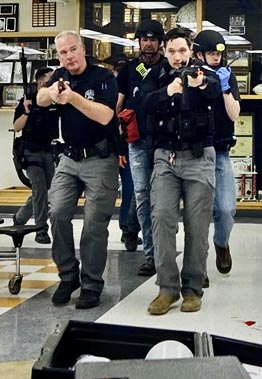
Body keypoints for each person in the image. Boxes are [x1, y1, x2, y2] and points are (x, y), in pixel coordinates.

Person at [37, 30, 119, 310]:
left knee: (94, 225)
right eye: (63, 52)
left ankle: (92, 283)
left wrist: (72, 98)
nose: (69, 56)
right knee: (57, 213)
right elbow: (39, 100)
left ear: (83, 49)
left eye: (73, 50)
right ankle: (68, 275)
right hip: (69, 159)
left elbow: (106, 115)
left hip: (100, 157)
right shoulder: (59, 75)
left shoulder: (103, 77)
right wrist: (51, 92)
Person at [142, 27, 221, 315]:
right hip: (166, 157)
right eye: (172, 51)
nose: (178, 57)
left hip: (199, 157)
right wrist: (168, 91)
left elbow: (214, 92)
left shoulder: (203, 73)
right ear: (165, 51)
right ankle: (167, 288)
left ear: (191, 52)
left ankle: (192, 288)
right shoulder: (155, 76)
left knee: (197, 226)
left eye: (183, 51)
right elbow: (144, 104)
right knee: (161, 217)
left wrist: (199, 84)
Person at [116, 19, 166, 275]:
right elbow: (117, 108)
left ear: (160, 43)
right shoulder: (128, 71)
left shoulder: (168, 69)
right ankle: (151, 254)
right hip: (136, 143)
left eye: (153, 40)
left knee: (161, 199)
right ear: (138, 42)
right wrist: (119, 146)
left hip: (165, 144)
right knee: (142, 196)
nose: (148, 44)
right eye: (144, 39)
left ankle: (157, 245)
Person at [194, 29, 240, 276]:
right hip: (197, 152)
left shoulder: (227, 76)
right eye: (211, 53)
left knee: (225, 209)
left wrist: (224, 88)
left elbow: (234, 115)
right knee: (198, 212)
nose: (216, 58)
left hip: (221, 151)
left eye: (219, 54)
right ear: (199, 54)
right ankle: (198, 265)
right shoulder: (192, 75)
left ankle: (221, 244)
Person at [12, 67, 60, 244]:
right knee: (39, 188)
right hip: (30, 152)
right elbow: (17, 127)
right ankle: (41, 229)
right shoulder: (28, 101)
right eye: (49, 79)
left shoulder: (54, 101)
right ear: (40, 82)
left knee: (46, 189)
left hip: (48, 150)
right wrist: (26, 111)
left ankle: (19, 217)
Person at [112, 57, 141, 252]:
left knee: (134, 191)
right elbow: (117, 122)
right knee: (132, 191)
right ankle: (127, 228)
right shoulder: (114, 96)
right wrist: (120, 150)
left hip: (134, 144)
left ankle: (128, 228)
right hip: (125, 146)